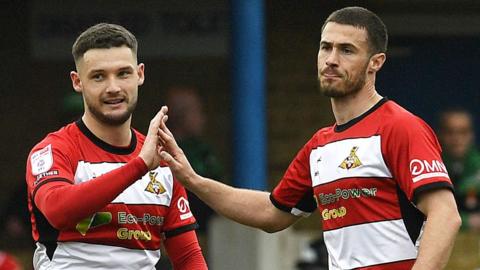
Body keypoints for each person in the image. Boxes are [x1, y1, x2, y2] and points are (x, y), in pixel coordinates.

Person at [157, 6, 461, 270]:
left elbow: (445, 216)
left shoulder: (400, 127)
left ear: (376, 62)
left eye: (346, 50)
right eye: (325, 47)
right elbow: (272, 213)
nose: (331, 59)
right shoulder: (320, 145)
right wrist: (193, 180)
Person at [25, 23, 207, 270]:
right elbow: (59, 210)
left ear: (140, 74)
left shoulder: (160, 157)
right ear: (77, 82)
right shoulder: (54, 150)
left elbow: (188, 258)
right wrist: (139, 166)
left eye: (123, 73)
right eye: (99, 76)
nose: (113, 87)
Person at [164, 86, 224, 233]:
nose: (202, 118)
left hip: (204, 229)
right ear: (180, 116)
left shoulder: (202, 150)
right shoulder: (160, 149)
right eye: (197, 112)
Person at [438, 108, 480, 230]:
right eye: (450, 132)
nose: (456, 139)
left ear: (471, 135)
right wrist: (466, 222)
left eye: (463, 132)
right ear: (440, 135)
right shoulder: (429, 165)